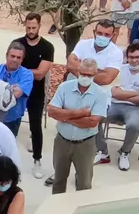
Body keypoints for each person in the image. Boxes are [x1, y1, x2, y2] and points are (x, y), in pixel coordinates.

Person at [47, 60, 113, 192]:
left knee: (84, 183)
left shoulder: (100, 94)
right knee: (59, 180)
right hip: (62, 141)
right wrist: (79, 114)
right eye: (83, 74)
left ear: (95, 74)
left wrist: (65, 116)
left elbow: (92, 122)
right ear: (78, 72)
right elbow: (51, 111)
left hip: (85, 144)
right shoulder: (65, 87)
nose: (85, 77)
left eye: (89, 75)